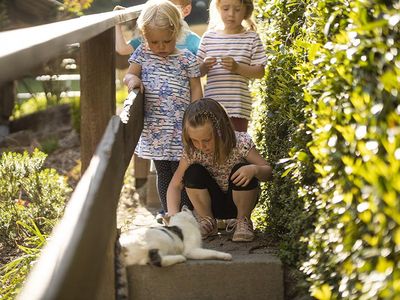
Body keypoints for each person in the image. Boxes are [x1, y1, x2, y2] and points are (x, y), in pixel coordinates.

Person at [123, 0, 203, 214]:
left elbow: (196, 86)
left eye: (166, 42)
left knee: (183, 171)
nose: (160, 47)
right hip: (156, 129)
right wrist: (133, 82)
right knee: (163, 172)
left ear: (176, 32)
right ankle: (169, 213)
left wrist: (195, 114)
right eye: (153, 41)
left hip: (182, 126)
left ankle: (186, 212)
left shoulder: (186, 58)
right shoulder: (143, 53)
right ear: (145, 36)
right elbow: (130, 74)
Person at [167, 98, 272, 242]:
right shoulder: (192, 152)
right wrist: (173, 219)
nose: (201, 146)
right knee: (192, 172)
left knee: (242, 169)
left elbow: (269, 172)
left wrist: (254, 169)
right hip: (211, 205)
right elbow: (175, 186)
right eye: (195, 141)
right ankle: (208, 222)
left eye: (206, 140)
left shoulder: (240, 142)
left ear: (221, 129)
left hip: (239, 202)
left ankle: (243, 222)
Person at [197, 0, 267, 132]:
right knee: (214, 147)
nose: (231, 14)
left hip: (238, 107)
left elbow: (260, 72)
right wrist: (205, 66)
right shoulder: (209, 37)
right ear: (218, 8)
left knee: (237, 146)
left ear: (246, 10)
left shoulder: (251, 38)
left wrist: (237, 68)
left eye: (237, 9)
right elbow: (196, 72)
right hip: (212, 106)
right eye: (225, 9)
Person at [114, 0, 201, 56]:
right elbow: (122, 49)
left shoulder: (192, 41)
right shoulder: (149, 39)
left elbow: (201, 68)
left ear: (186, 10)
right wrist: (116, 21)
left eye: (169, 7)